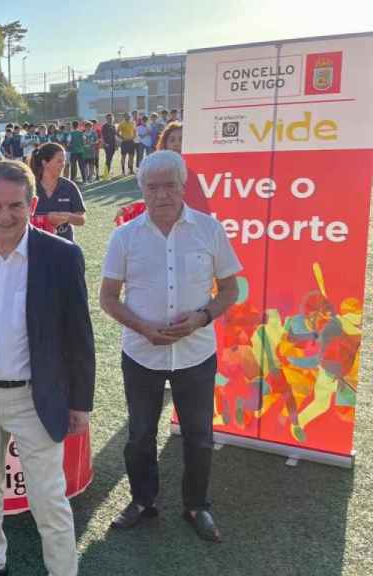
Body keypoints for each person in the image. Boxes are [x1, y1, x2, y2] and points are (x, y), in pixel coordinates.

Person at [0, 160, 94, 576]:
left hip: (35, 396)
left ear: (32, 204)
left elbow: (79, 334)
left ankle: (62, 570)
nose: (4, 216)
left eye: (15, 206)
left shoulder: (61, 256)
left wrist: (80, 402)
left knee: (48, 497)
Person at [99, 151, 242, 543]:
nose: (162, 195)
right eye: (152, 186)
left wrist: (202, 318)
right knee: (140, 434)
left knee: (198, 436)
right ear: (141, 189)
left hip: (196, 353)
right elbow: (108, 298)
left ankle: (197, 505)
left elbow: (231, 289)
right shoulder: (124, 236)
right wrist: (143, 327)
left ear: (183, 186)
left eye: (170, 185)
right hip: (142, 354)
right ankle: (143, 501)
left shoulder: (209, 230)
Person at [31, 143, 87, 243]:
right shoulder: (30, 187)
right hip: (36, 245)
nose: (64, 164)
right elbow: (20, 220)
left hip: (65, 247)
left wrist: (68, 217)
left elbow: (82, 219)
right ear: (45, 163)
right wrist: (46, 219)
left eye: (64, 161)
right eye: (59, 161)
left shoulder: (69, 186)